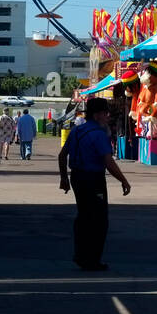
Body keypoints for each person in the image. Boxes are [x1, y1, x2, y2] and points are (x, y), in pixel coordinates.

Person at [58, 96, 131, 271]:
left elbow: (62, 155)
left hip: (77, 177)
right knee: (98, 220)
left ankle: (80, 255)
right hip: (93, 179)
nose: (108, 117)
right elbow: (108, 162)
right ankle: (92, 260)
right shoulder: (99, 134)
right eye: (106, 114)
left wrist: (64, 178)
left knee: (83, 216)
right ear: (97, 115)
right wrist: (124, 180)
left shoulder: (77, 131)